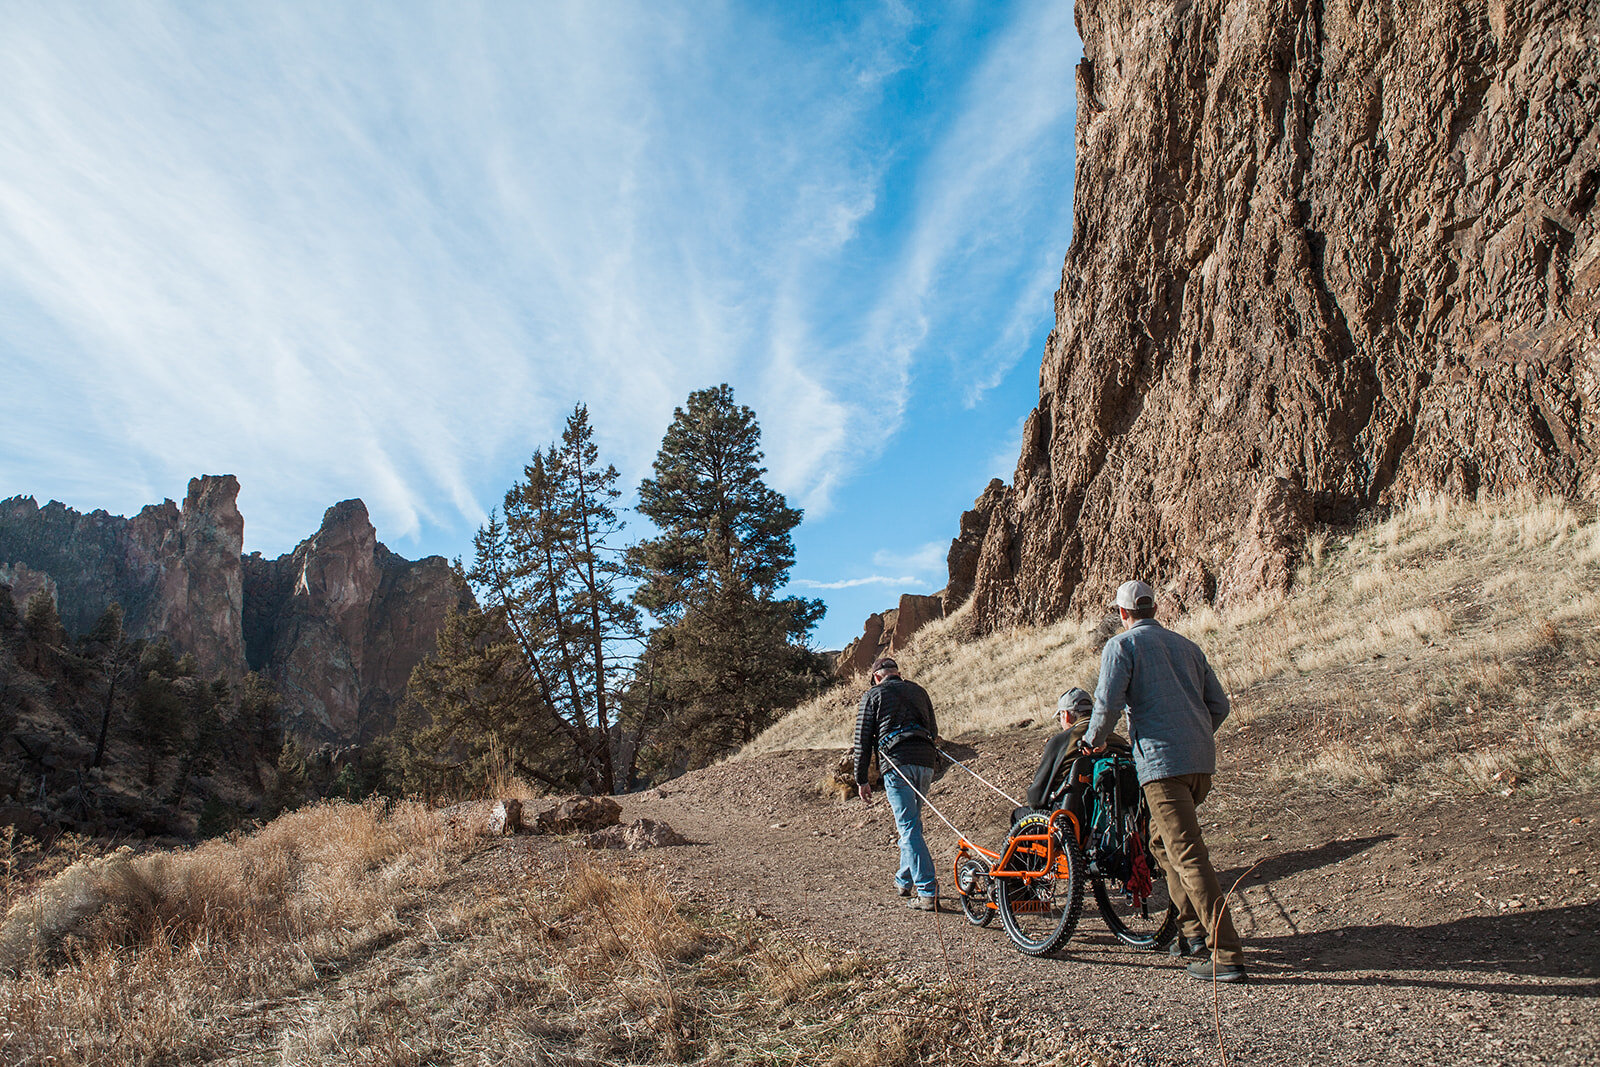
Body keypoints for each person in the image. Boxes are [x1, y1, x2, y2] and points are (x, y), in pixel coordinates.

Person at [1082, 580, 1247, 983]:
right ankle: (1190, 933)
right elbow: (1219, 706)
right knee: (1160, 842)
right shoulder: (1188, 647)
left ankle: (1225, 951)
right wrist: (1194, 735)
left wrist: (1091, 742)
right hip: (1199, 764)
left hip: (1161, 767)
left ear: (1122, 614)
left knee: (1187, 853)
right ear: (1154, 608)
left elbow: (1107, 705)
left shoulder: (1121, 647)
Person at [854, 655, 941, 910]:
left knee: (908, 827)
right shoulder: (919, 691)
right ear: (897, 672)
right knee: (912, 824)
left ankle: (927, 891)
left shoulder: (873, 695)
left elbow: (862, 742)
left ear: (877, 677)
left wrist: (862, 780)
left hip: (896, 764)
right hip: (925, 763)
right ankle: (904, 880)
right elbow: (933, 730)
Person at [1014, 687, 1129, 822]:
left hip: (1070, 823)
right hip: (1120, 822)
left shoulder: (1062, 741)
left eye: (1060, 717)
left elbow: (1036, 799)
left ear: (1066, 715)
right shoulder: (1119, 741)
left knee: (1017, 815)